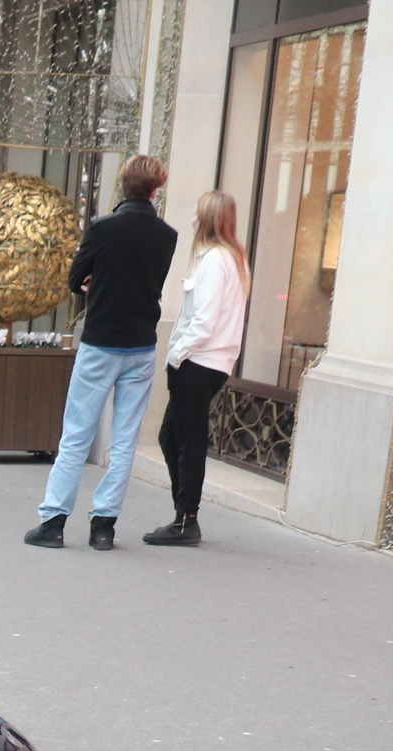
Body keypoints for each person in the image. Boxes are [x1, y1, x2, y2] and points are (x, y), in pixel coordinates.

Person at [26, 154, 179, 552]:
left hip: (100, 342)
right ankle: (104, 526)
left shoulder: (102, 228)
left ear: (121, 187)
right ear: (155, 190)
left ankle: (54, 521)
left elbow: (77, 278)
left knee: (77, 432)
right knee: (125, 438)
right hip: (141, 343)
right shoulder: (167, 236)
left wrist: (96, 281)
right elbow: (152, 285)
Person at [147, 190, 249, 547]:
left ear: (207, 219)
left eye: (196, 213)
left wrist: (176, 355)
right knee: (172, 436)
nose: (191, 219)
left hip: (199, 362)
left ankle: (186, 518)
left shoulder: (215, 260)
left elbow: (203, 321)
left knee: (187, 441)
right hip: (209, 361)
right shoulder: (231, 258)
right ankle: (184, 513)